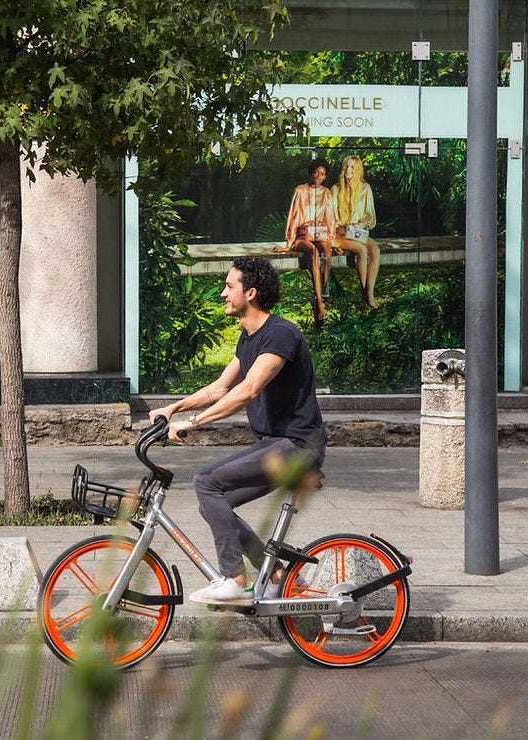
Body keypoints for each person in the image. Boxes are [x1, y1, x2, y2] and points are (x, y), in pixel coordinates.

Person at [149, 256, 326, 604]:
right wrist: (174, 407)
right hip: (277, 444)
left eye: (229, 286)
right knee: (214, 504)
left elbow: (248, 390)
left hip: (298, 446)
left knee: (206, 482)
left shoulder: (280, 334)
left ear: (251, 293)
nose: (222, 293)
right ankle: (277, 573)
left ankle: (235, 579)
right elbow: (219, 388)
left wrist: (194, 424)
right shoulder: (248, 339)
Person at [277, 158, 336, 321]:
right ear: (311, 173)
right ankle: (319, 300)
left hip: (320, 233)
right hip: (302, 236)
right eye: (316, 172)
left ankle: (323, 292)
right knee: (314, 252)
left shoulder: (326, 193)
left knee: (326, 249)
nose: (318, 176)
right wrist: (289, 244)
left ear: (325, 177)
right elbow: (293, 216)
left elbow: (330, 218)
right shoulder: (300, 190)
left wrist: (333, 240)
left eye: (322, 174)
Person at [331, 155, 382, 308]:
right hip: (339, 233)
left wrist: (360, 225)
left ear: (358, 170)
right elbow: (331, 217)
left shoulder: (365, 188)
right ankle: (365, 291)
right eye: (346, 166)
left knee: (375, 250)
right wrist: (340, 228)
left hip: (356, 231)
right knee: (361, 250)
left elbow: (370, 215)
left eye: (352, 167)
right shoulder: (336, 189)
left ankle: (369, 291)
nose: (348, 169)